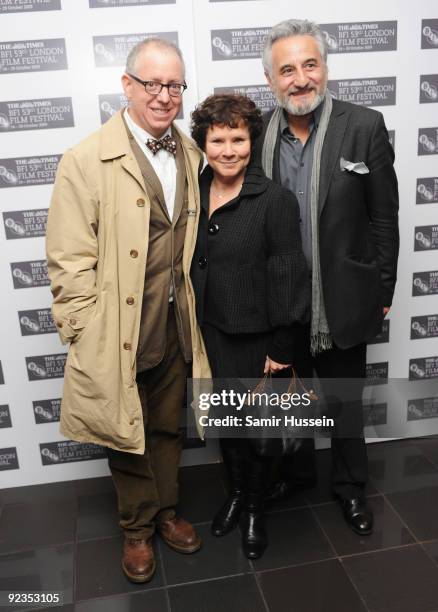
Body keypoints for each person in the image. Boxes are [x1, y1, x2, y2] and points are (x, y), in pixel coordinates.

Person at [46, 38, 211, 584]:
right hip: (117, 328)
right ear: (127, 85)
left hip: (173, 323)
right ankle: (137, 527)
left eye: (174, 85)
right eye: (152, 84)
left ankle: (166, 511)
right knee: (127, 431)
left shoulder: (190, 152)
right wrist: (83, 327)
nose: (164, 96)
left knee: (167, 425)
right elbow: (69, 256)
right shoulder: (85, 159)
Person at [255, 19, 399, 535]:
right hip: (279, 302)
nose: (300, 79)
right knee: (288, 400)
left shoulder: (363, 125)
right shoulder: (253, 134)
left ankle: (349, 489)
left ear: (325, 69)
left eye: (309, 65)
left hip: (343, 296)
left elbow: (383, 216)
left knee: (342, 403)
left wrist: (382, 288)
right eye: (286, 69)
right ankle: (294, 475)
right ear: (270, 81)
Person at [190, 94, 310, 558]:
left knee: (262, 433)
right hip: (210, 334)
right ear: (203, 142)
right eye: (217, 139)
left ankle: (256, 507)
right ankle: (238, 493)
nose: (227, 149)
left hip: (259, 341)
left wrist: (283, 345)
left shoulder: (273, 200)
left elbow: (288, 273)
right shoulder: (195, 191)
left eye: (237, 138)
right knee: (230, 425)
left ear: (251, 141)